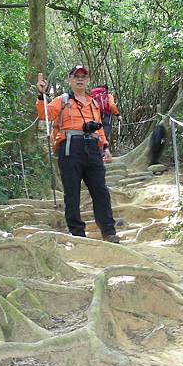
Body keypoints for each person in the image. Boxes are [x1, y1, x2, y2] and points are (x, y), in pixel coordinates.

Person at [35, 65, 119, 243]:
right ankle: (77, 233)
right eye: (76, 76)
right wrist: (41, 95)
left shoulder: (94, 103)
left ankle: (108, 231)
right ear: (70, 80)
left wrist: (105, 147)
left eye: (83, 76)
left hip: (92, 149)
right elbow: (45, 115)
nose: (80, 79)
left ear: (87, 80)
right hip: (70, 148)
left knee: (100, 190)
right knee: (72, 192)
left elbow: (99, 128)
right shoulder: (62, 100)